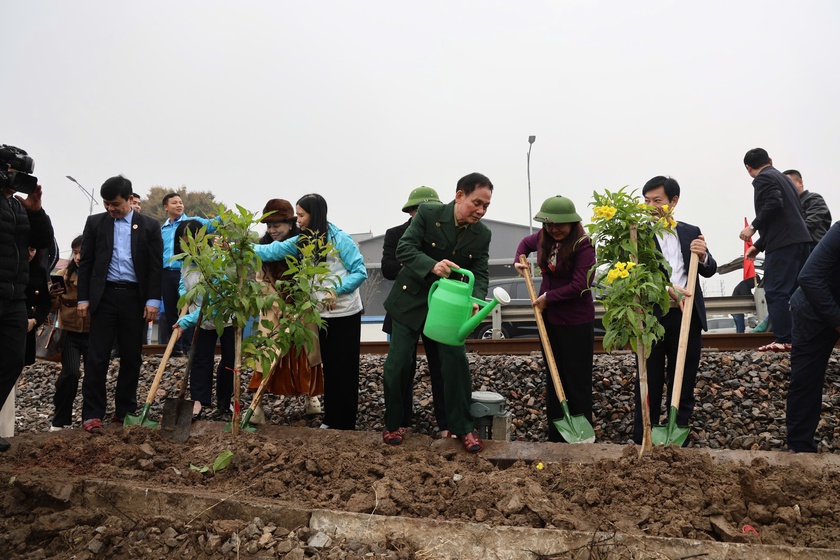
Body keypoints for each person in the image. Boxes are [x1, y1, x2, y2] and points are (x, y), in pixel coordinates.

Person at [381, 172, 493, 453]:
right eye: (476, 203)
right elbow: (404, 248)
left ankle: (461, 427)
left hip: (447, 308)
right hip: (410, 300)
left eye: (486, 206)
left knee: (454, 365)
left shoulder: (483, 234)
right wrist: (431, 265)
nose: (480, 210)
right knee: (398, 365)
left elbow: (479, 271)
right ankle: (394, 423)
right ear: (459, 196)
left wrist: (476, 299)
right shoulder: (430, 214)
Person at [253, 193, 367, 431]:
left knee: (345, 369)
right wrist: (238, 246)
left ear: (315, 215)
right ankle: (331, 419)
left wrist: (336, 289)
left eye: (302, 215)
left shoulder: (340, 239)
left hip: (345, 314)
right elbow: (272, 251)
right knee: (331, 369)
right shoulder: (303, 240)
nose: (298, 220)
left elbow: (359, 271)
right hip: (321, 315)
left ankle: (345, 423)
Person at [633, 176, 717, 446]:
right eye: (647, 201)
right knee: (649, 380)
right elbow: (638, 274)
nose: (651, 206)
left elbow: (709, 268)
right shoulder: (639, 234)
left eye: (657, 200)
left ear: (673, 201)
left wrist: (703, 255)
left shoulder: (691, 231)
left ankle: (676, 435)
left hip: (687, 314)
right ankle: (643, 438)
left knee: (685, 376)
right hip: (653, 315)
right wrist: (666, 289)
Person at [77, 175, 163, 435]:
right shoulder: (95, 223)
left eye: (115, 204)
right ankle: (92, 414)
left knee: (131, 357)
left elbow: (155, 265)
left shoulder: (149, 226)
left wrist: (152, 299)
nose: (111, 209)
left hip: (134, 298)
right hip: (104, 298)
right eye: (107, 204)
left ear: (130, 200)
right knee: (96, 357)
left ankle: (125, 410)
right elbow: (87, 263)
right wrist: (83, 298)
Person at [514, 196, 596, 442]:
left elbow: (582, 284)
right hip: (548, 320)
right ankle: (557, 436)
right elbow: (523, 244)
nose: (554, 229)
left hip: (576, 322)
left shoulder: (584, 245)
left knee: (577, 379)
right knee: (554, 376)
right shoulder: (542, 238)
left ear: (572, 223)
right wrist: (519, 260)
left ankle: (581, 437)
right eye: (550, 225)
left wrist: (549, 297)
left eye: (560, 225)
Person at [381, 186, 451, 437]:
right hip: (405, 305)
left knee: (441, 366)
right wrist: (420, 264)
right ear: (411, 211)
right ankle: (400, 421)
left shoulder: (445, 235)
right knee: (401, 367)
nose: (425, 215)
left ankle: (446, 424)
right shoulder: (395, 234)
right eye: (421, 210)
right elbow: (388, 268)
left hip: (437, 308)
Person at [247, 198, 324, 418]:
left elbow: (311, 277)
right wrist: (276, 303)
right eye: (269, 226)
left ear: (290, 224)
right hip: (273, 311)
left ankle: (311, 397)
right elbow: (260, 281)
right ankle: (257, 405)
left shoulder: (302, 244)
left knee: (306, 354)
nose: (272, 230)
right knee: (267, 356)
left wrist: (296, 304)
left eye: (277, 225)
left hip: (301, 309)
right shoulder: (262, 247)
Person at [0, 155, 53, 452]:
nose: (18, 179)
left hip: (15, 296)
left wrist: (36, 212)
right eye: (13, 172)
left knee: (13, 359)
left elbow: (43, 240)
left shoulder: (19, 207)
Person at [740, 149, 812, 352]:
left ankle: (784, 339)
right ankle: (803, 337)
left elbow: (773, 204)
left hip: (783, 245)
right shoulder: (786, 180)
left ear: (748, 168)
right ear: (770, 160)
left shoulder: (763, 178)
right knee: (799, 292)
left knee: (775, 291)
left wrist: (752, 226)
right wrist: (759, 245)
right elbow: (790, 214)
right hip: (801, 241)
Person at [171, 220, 233, 421]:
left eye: (191, 240)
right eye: (183, 242)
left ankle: (225, 401)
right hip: (198, 317)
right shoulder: (185, 262)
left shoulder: (216, 260)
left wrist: (186, 321)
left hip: (225, 317)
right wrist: (185, 296)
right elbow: (183, 282)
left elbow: (213, 304)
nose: (186, 246)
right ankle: (198, 400)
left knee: (230, 361)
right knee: (200, 359)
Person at [787, 221, 840, 453]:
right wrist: (838, 321)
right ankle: (800, 448)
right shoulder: (839, 231)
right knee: (807, 380)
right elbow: (809, 277)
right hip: (813, 311)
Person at [158, 192, 216, 356]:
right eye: (174, 202)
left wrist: (222, 220)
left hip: (188, 269)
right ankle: (174, 347)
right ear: (166, 207)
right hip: (167, 272)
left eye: (180, 202)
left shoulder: (192, 224)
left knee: (191, 307)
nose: (179, 205)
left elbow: (212, 225)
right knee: (171, 309)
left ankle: (189, 346)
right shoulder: (163, 229)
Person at [49, 236, 91, 431]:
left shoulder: (99, 274)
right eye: (75, 252)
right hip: (69, 332)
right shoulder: (64, 274)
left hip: (93, 332)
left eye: (82, 252)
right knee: (70, 374)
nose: (78, 257)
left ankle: (90, 418)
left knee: (94, 377)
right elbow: (54, 306)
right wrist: (52, 296)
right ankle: (60, 420)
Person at [783, 169, 832, 250]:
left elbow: (810, 224)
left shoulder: (814, 199)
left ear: (800, 182)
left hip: (812, 251)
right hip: (794, 253)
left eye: (788, 183)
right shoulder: (787, 207)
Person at [24, 247, 52, 366]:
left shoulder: (39, 271)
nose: (29, 254)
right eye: (27, 249)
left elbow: (45, 302)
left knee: (18, 366)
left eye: (32, 250)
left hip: (27, 325)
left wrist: (35, 320)